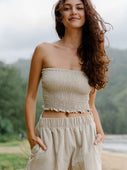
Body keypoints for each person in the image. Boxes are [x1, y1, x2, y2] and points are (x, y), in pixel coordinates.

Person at [24, 0, 112, 169]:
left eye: (79, 7)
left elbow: (90, 104)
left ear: (86, 14)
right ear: (60, 17)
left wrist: (100, 132)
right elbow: (31, 97)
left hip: (85, 134)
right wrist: (31, 136)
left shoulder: (93, 56)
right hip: (50, 133)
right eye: (67, 8)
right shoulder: (43, 50)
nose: (74, 11)